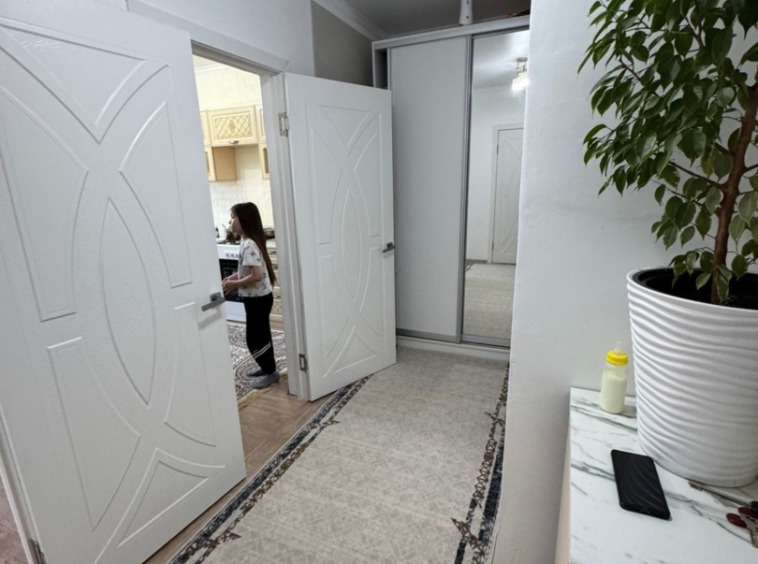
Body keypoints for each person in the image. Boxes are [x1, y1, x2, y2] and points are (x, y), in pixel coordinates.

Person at [222, 202, 279, 389]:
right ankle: (267, 368)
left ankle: (271, 372)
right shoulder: (246, 241)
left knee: (254, 338)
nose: (230, 221)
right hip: (257, 298)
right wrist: (233, 278)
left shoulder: (249, 245)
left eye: (233, 217)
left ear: (244, 220)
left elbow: (256, 276)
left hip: (258, 299)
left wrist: (233, 284)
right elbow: (247, 271)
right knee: (260, 335)